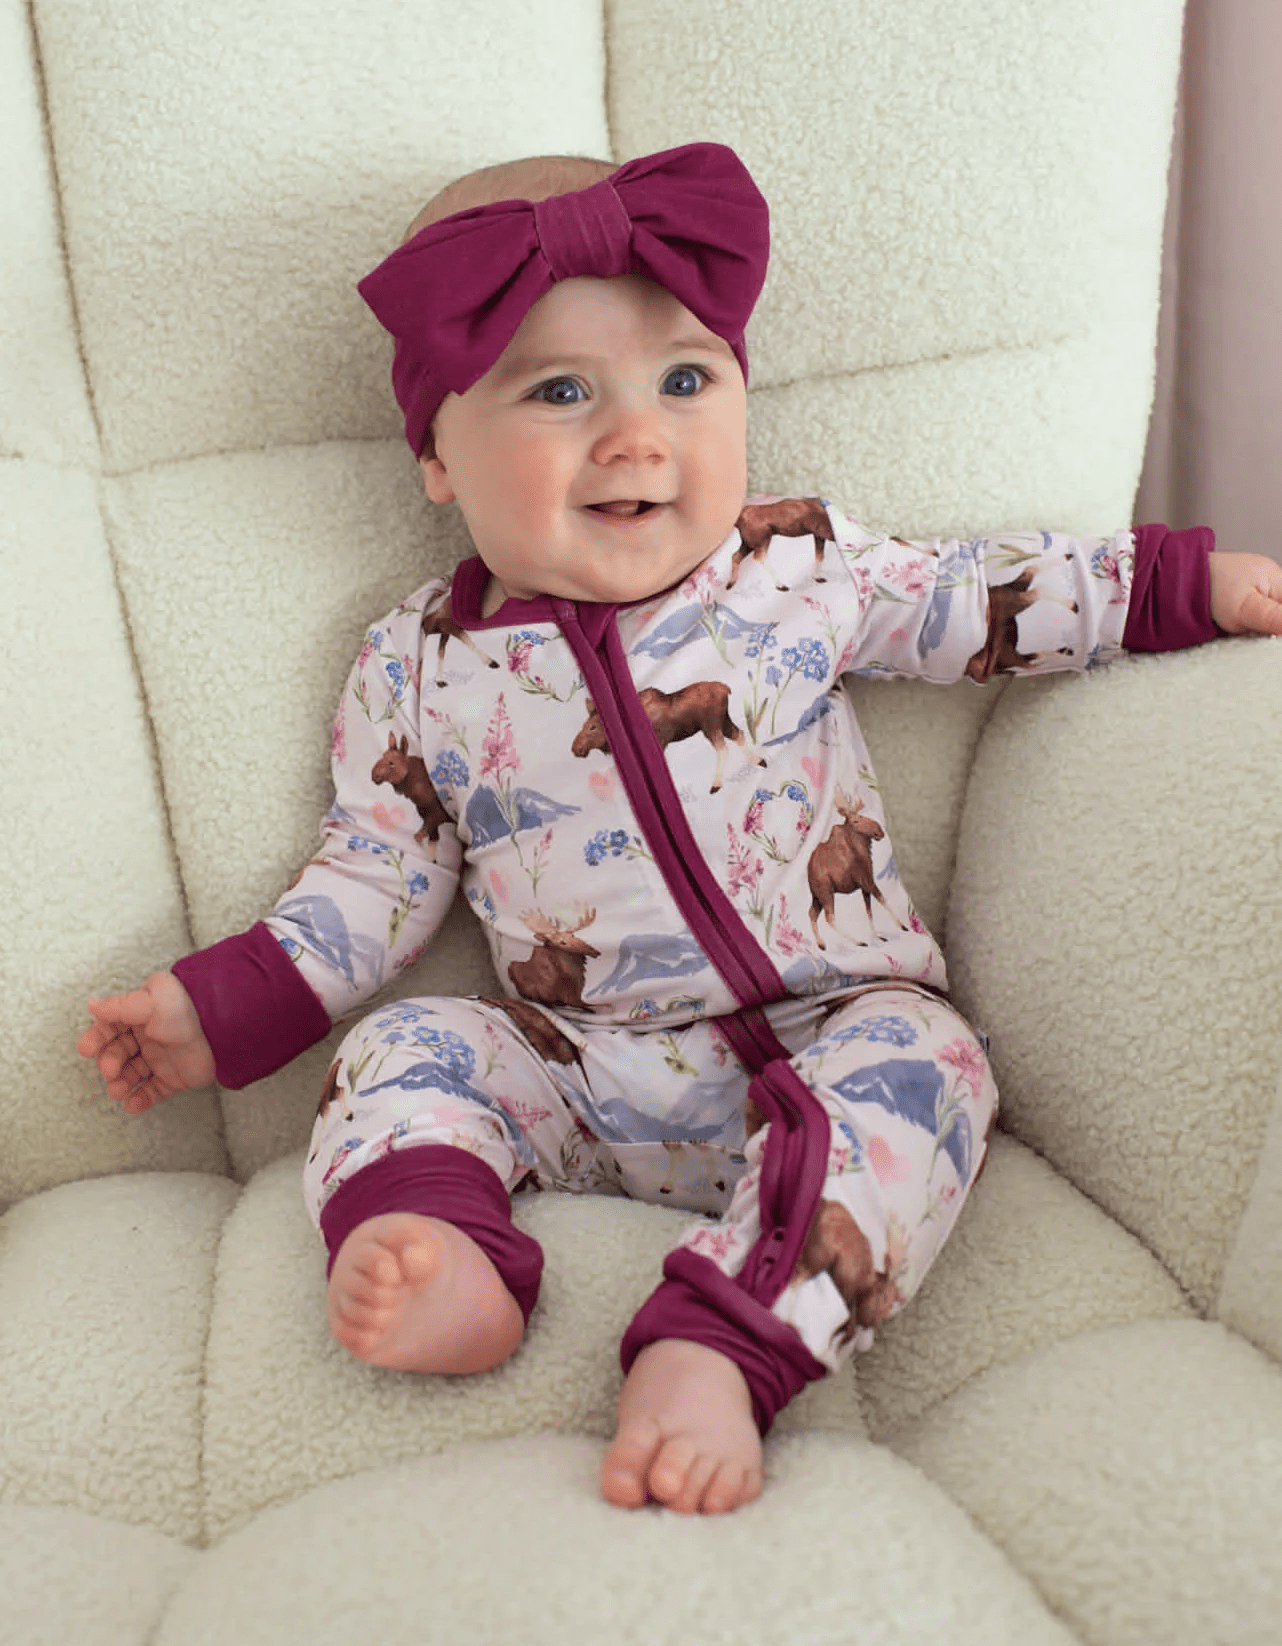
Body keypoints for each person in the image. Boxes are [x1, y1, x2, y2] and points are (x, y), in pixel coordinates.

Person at [78, 142, 1282, 1518]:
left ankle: (725, 1343)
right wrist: (216, 1006)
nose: (636, 436)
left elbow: (973, 597)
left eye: (685, 380)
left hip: (836, 1024)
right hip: (583, 1071)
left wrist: (1177, 585)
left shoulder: (794, 568)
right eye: (560, 391)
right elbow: (372, 876)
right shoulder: (417, 665)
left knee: (932, 1070)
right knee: (406, 1049)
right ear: (436, 454)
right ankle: (434, 1238)